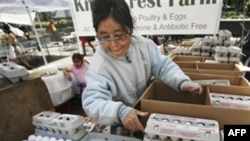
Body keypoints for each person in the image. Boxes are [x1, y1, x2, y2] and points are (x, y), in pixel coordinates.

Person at [82, 0, 203, 132]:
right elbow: (93, 102)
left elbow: (163, 67)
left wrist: (182, 82)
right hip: (119, 123)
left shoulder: (143, 46)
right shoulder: (99, 66)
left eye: (119, 35)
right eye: (105, 37)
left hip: (145, 113)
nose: (113, 44)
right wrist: (120, 112)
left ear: (130, 29)